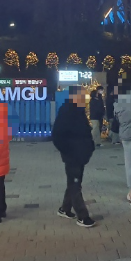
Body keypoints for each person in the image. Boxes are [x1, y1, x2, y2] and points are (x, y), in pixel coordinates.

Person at [51, 86, 96, 227]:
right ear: (74, 97)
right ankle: (83, 216)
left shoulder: (80, 111)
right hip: (72, 155)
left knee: (74, 183)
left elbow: (86, 132)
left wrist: (90, 147)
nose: (85, 99)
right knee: (75, 184)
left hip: (81, 154)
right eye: (82, 96)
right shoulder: (66, 112)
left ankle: (64, 209)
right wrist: (68, 151)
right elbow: (57, 135)